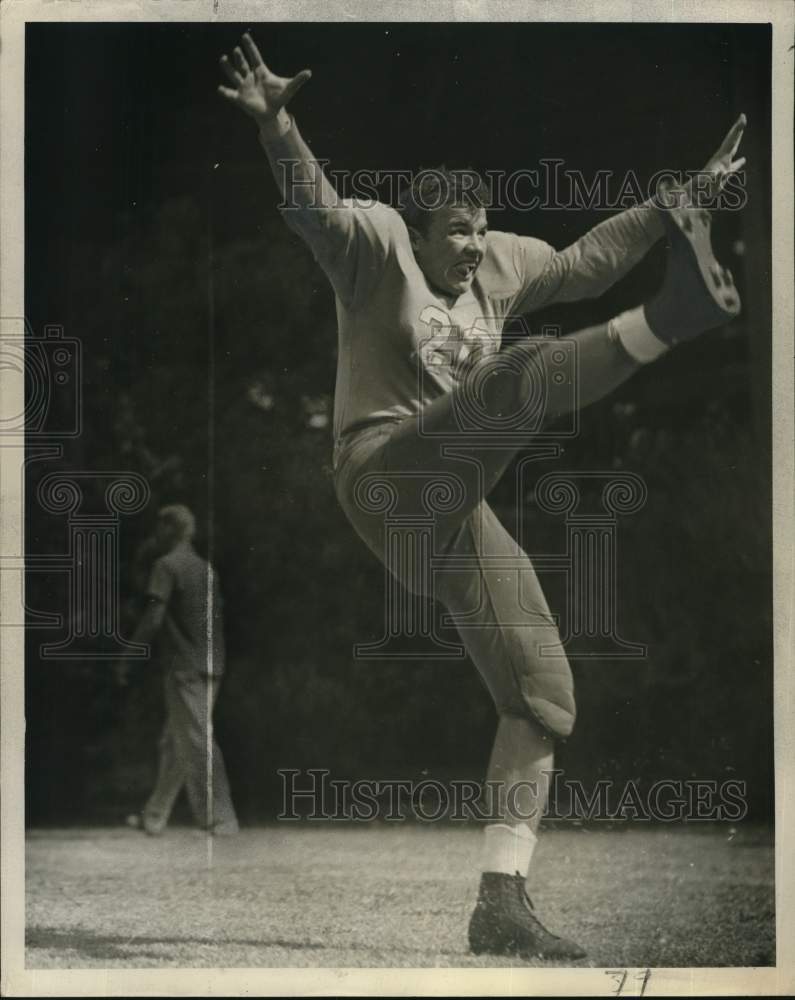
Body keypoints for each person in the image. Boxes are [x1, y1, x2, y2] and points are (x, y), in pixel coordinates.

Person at [218, 33, 746, 959]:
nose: (468, 246)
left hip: (455, 504)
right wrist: (277, 126)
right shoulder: (374, 249)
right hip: (385, 477)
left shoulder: (500, 262)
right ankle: (676, 319)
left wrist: (676, 207)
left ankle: (499, 902)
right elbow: (314, 211)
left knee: (543, 696)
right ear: (418, 232)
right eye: (452, 232)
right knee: (520, 376)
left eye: (477, 227)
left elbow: (583, 260)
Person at [126, 504, 239, 837]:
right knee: (175, 740)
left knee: (194, 740)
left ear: (167, 530)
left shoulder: (165, 566)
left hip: (183, 666)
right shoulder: (207, 569)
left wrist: (129, 655)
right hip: (212, 664)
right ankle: (155, 815)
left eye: (158, 529)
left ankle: (222, 817)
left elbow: (154, 618)